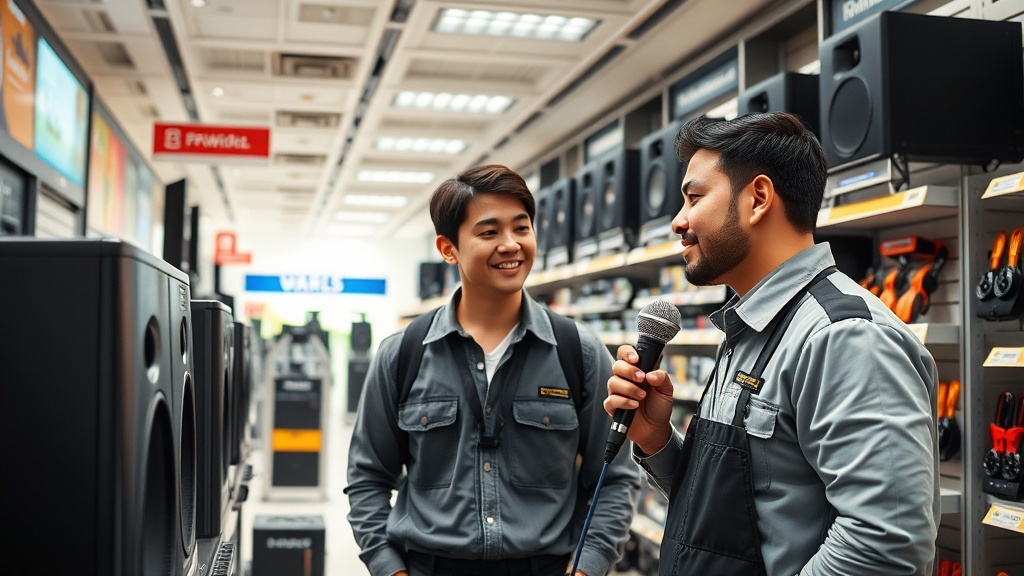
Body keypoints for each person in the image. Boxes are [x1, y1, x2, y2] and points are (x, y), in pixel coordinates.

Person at [605, 113, 940, 575]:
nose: (678, 221)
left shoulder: (844, 337)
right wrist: (656, 439)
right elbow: (728, 516)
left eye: (694, 197)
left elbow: (886, 544)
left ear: (758, 198)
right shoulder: (752, 327)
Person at [346, 164, 640, 576]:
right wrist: (389, 567)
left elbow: (614, 478)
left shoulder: (580, 352)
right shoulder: (402, 354)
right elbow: (367, 479)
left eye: (521, 228)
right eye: (489, 233)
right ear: (448, 248)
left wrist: (589, 567)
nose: (511, 245)